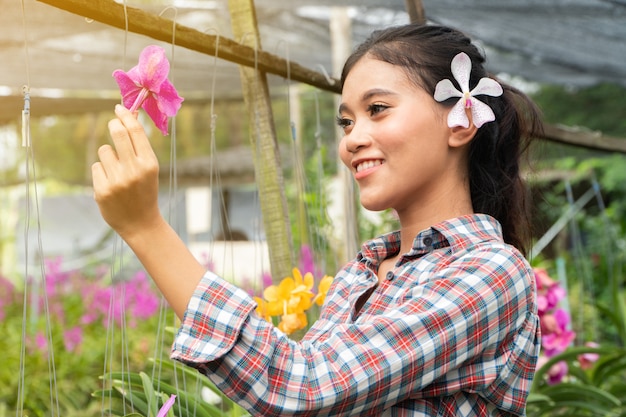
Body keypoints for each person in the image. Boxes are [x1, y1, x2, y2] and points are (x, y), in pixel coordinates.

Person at [92, 24, 542, 416]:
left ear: (462, 121)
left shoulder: (490, 271)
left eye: (377, 109)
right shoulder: (361, 275)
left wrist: (146, 229)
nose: (352, 140)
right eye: (346, 122)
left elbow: (302, 389)